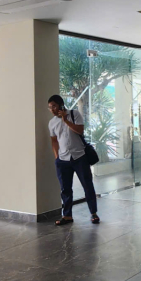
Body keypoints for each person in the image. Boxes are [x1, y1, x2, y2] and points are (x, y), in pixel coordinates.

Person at [48, 95, 99, 226]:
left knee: (87, 185)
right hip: (62, 160)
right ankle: (67, 216)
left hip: (79, 157)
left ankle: (93, 213)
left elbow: (80, 131)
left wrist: (65, 120)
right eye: (50, 107)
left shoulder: (74, 114)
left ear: (61, 105)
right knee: (65, 189)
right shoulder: (52, 123)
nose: (52, 109)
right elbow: (54, 140)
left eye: (54, 106)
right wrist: (57, 157)